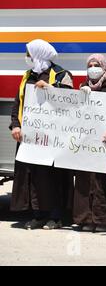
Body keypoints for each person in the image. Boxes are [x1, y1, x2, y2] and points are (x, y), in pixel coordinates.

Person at [10, 39, 74, 230]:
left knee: (54, 177)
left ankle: (56, 216)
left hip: (53, 139)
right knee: (34, 177)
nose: (27, 57)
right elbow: (17, 103)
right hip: (30, 138)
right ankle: (38, 214)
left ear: (39, 54)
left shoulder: (61, 74)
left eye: (29, 54)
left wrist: (50, 89)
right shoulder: (27, 75)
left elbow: (70, 103)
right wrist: (15, 126)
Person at [72, 54, 106, 232]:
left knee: (102, 181)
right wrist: (81, 98)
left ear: (104, 66)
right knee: (85, 181)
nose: (93, 68)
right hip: (86, 142)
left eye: (96, 65)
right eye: (90, 65)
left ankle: (104, 220)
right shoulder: (83, 87)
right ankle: (85, 219)